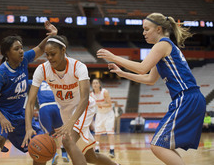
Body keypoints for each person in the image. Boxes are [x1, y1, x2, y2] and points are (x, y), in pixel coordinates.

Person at [97, 12, 206, 165]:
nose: (143, 33)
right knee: (162, 145)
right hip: (189, 98)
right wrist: (122, 73)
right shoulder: (163, 47)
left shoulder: (162, 44)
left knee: (157, 145)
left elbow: (142, 68)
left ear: (159, 29)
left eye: (147, 29)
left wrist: (113, 57)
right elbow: (149, 79)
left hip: (186, 98)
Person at [23, 34, 120, 165]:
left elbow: (85, 97)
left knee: (67, 141)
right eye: (47, 54)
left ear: (63, 50)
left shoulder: (78, 67)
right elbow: (30, 102)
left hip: (83, 107)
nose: (50, 58)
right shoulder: (42, 70)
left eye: (53, 54)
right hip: (65, 111)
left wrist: (70, 124)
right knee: (90, 157)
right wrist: (28, 127)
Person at [0, 21, 57, 165]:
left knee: (40, 140)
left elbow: (40, 48)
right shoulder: (1, 73)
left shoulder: (24, 60)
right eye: (16, 49)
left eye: (21, 47)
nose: (21, 51)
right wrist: (2, 119)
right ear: (7, 53)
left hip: (18, 115)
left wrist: (52, 36)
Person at [28, 80, 69, 164]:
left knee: (48, 134)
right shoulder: (54, 81)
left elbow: (25, 81)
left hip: (44, 108)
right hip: (56, 106)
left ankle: (54, 154)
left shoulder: (37, 81)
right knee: (60, 132)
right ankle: (64, 152)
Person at [90, 78, 115, 158]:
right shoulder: (91, 95)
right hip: (100, 114)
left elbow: (110, 104)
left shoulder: (105, 92)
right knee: (97, 133)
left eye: (97, 83)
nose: (95, 84)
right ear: (92, 85)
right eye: (93, 83)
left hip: (108, 114)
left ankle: (112, 150)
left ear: (99, 85)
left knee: (110, 133)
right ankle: (96, 149)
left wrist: (101, 105)